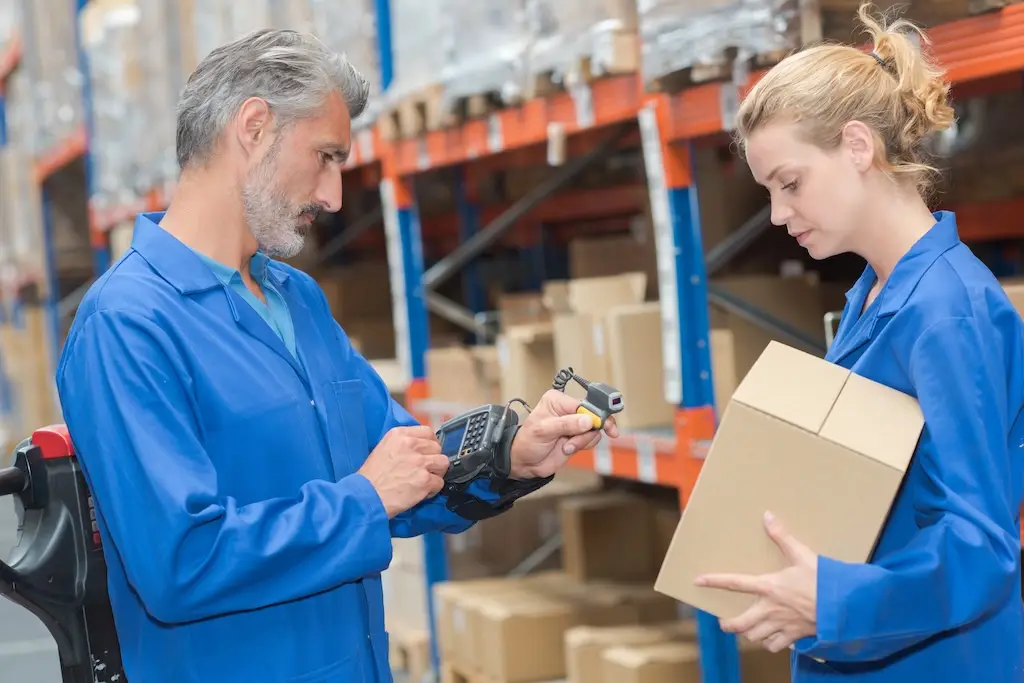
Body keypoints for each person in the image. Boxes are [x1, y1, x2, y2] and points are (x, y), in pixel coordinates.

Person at [55, 30, 617, 683]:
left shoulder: (298, 300)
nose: (335, 196)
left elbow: (401, 463)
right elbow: (181, 561)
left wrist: (507, 455)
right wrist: (363, 499)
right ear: (254, 127)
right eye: (325, 157)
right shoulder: (128, 325)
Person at [694, 4, 1024, 681]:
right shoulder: (872, 295)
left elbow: (983, 546)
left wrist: (834, 598)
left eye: (790, 184)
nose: (781, 215)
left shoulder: (945, 311)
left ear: (856, 145)